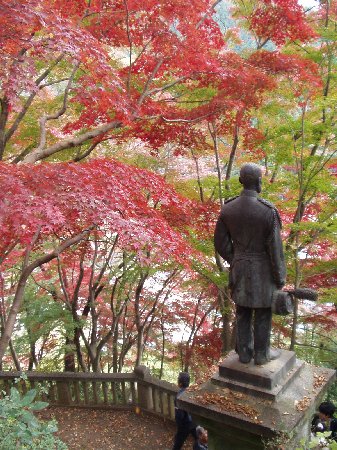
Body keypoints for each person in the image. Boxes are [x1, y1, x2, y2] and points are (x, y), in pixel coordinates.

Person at [214, 163, 286, 365]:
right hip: (263, 270)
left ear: (240, 181)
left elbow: (220, 243)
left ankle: (244, 353)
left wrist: (235, 258)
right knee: (263, 312)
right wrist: (280, 277)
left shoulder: (228, 209)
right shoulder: (268, 211)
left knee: (242, 310)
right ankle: (262, 354)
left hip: (239, 267)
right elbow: (276, 250)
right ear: (259, 182)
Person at [172, 372, 197, 450]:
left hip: (185, 424)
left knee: (178, 443)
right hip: (194, 422)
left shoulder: (180, 396)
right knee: (199, 438)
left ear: (180, 383)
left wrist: (179, 425)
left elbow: (179, 415)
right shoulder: (193, 391)